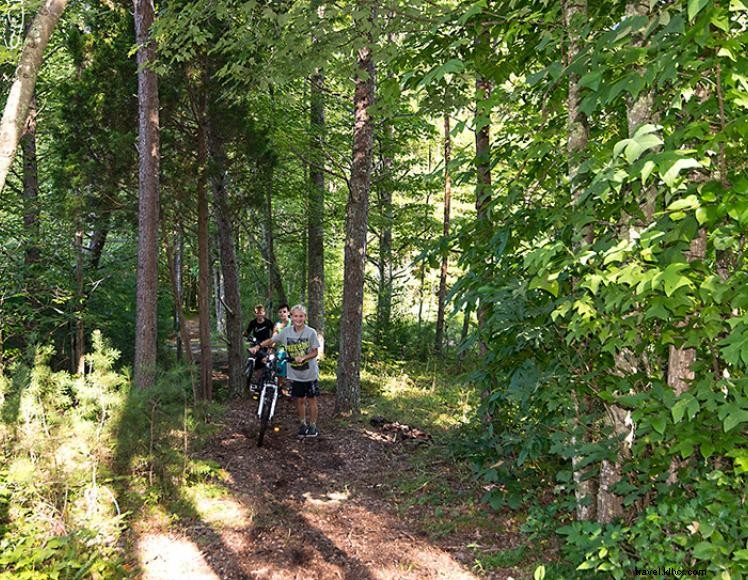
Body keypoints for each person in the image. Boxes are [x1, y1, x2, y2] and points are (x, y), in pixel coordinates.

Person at [252, 304, 320, 438]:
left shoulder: (311, 332)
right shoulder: (286, 332)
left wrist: (304, 357)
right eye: (295, 316)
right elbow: (272, 340)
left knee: (312, 401)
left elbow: (315, 352)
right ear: (291, 317)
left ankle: (312, 426)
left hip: (310, 373)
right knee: (299, 401)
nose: (298, 319)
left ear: (305, 317)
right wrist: (258, 346)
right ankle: (302, 424)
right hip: (295, 374)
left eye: (301, 316)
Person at [243, 304, 274, 387]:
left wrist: (271, 344)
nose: (259, 314)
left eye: (261, 312)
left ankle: (262, 381)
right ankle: (250, 377)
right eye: (257, 313)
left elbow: (275, 332)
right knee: (255, 363)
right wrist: (244, 334)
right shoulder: (253, 323)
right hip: (255, 344)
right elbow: (247, 332)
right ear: (255, 313)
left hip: (265, 345)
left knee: (263, 363)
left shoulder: (268, 322)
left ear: (264, 313)